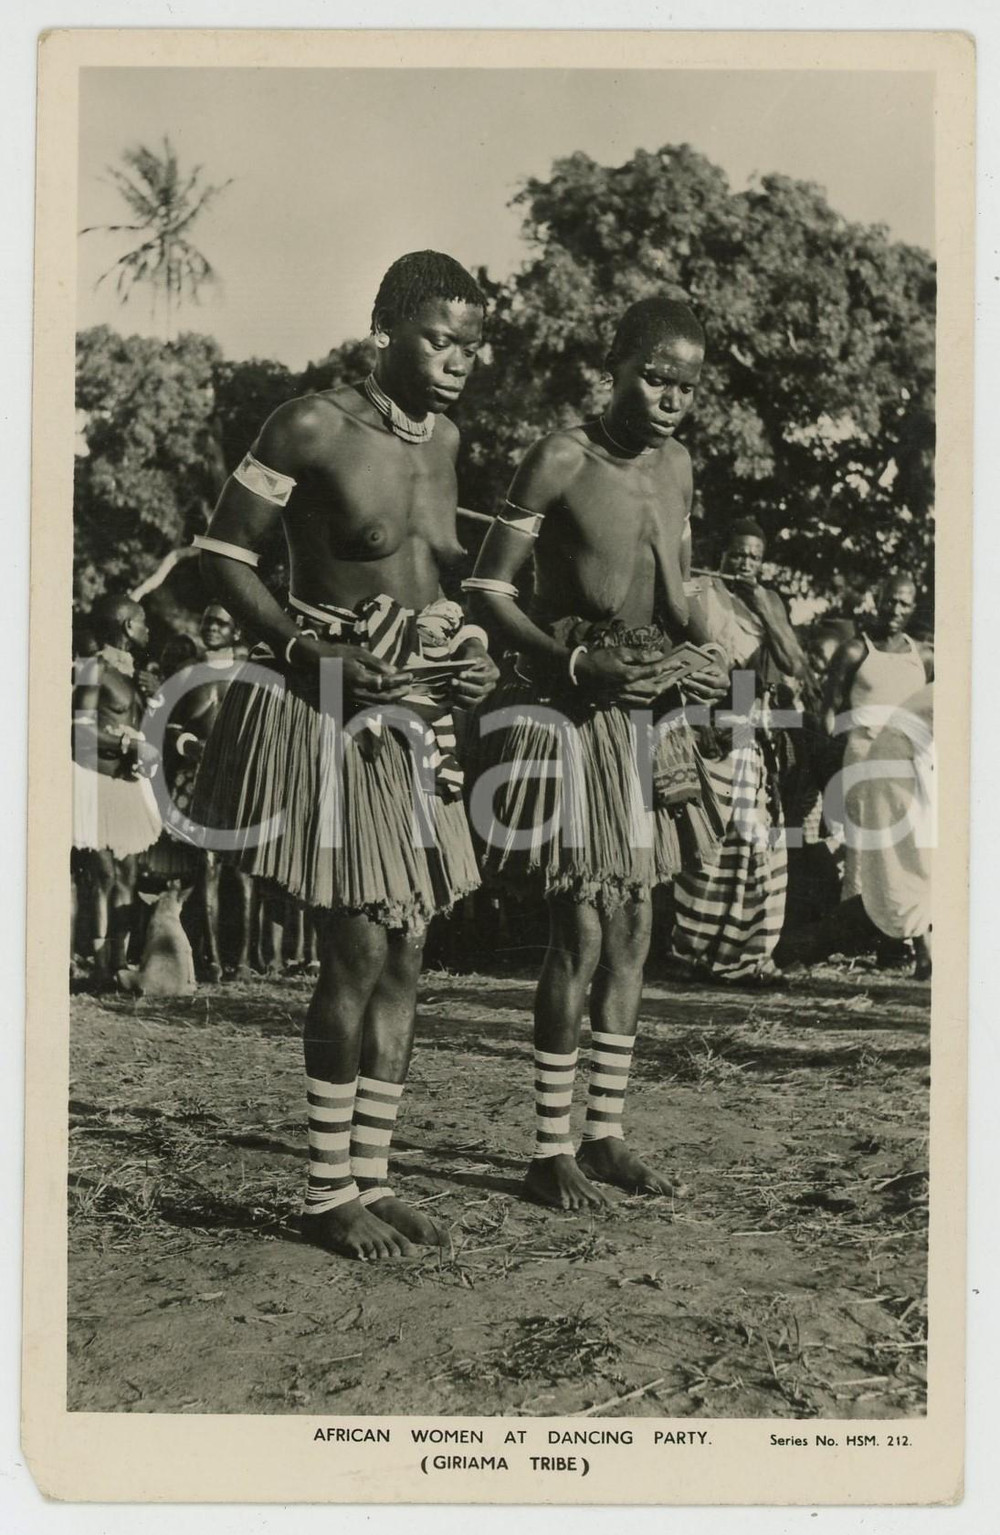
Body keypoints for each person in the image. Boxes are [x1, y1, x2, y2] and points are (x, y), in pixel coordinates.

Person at [192, 251, 498, 1261]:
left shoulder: (445, 438)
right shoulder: (309, 424)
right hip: (335, 703)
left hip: (422, 710)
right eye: (439, 337)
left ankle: (371, 1174)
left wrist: (474, 623)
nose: (459, 358)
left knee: (408, 946)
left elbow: (435, 555)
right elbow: (225, 555)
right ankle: (325, 1191)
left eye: (472, 340)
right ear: (387, 328)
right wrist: (301, 646)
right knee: (359, 942)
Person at [465, 295, 727, 1212]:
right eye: (654, 376)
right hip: (572, 705)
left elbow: (681, 585)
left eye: (685, 386)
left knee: (636, 926)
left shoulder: (681, 465)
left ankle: (604, 1132)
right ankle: (548, 1147)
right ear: (614, 364)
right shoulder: (560, 457)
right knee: (578, 924)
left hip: (654, 713)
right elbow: (487, 588)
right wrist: (573, 658)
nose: (667, 399)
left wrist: (708, 646)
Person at [672, 518, 806, 983]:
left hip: (750, 725)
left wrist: (762, 608)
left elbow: (795, 664)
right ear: (722, 554)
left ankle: (742, 955)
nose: (744, 563)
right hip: (703, 720)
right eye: (737, 555)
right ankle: (691, 953)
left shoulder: (767, 600)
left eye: (753, 557)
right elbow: (695, 649)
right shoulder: (699, 588)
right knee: (707, 839)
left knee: (753, 842)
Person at [822, 575, 932, 900]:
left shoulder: (924, 656)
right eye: (890, 600)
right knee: (862, 845)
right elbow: (828, 710)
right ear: (878, 599)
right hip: (863, 756)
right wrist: (835, 759)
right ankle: (854, 934)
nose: (896, 609)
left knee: (907, 845)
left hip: (908, 761)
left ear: (913, 607)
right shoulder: (855, 650)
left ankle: (898, 930)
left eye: (904, 603)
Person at [71, 594, 161, 982]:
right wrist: (127, 744)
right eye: (142, 622)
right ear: (127, 627)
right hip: (96, 782)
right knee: (103, 875)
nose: (147, 629)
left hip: (125, 784)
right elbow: (78, 731)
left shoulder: (130, 674)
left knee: (128, 873)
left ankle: (118, 965)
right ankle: (98, 964)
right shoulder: (94, 669)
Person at [854, 683, 934, 981]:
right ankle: (923, 954)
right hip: (898, 766)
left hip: (917, 760)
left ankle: (926, 953)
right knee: (916, 856)